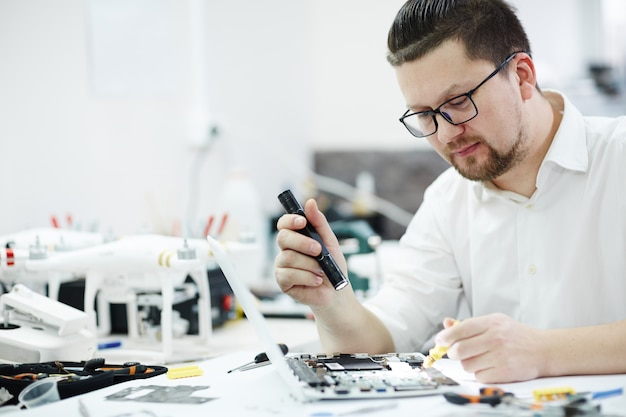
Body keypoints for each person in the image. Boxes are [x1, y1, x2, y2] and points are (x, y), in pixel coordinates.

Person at [274, 0, 626, 384]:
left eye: (458, 102)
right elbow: (380, 339)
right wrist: (332, 299)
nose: (445, 135)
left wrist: (543, 352)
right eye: (424, 114)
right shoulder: (447, 200)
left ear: (522, 76)